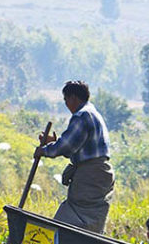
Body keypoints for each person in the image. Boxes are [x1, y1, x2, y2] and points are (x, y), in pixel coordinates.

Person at [34, 80, 115, 234]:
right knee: (87, 220)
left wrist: (44, 150)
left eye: (66, 100)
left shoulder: (82, 115)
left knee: (73, 218)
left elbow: (67, 146)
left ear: (73, 98)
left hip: (90, 175)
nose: (66, 105)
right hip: (99, 173)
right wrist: (55, 142)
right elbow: (77, 144)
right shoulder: (92, 112)